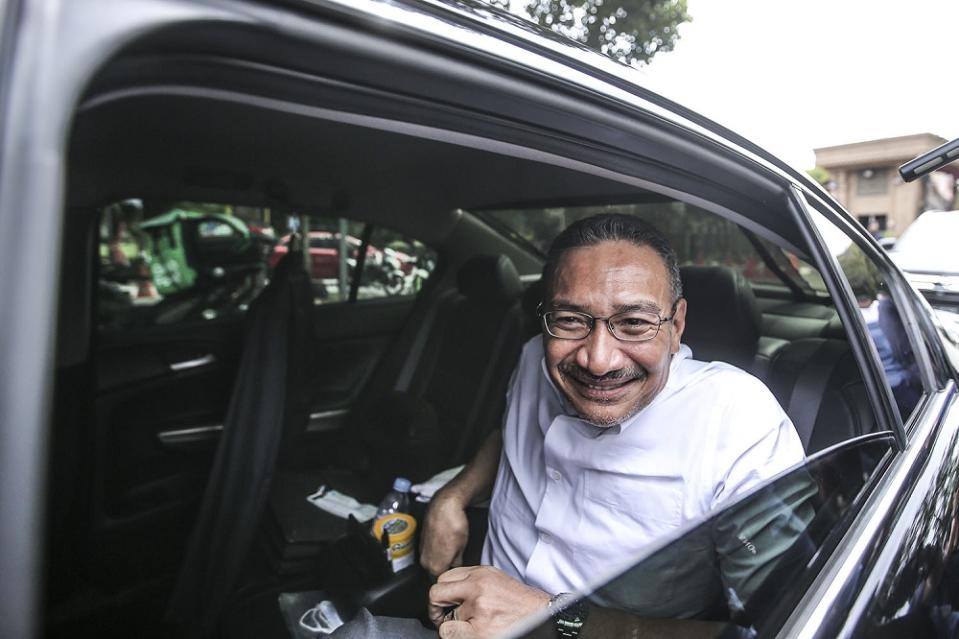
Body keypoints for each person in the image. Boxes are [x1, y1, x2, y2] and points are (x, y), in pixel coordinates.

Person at [334, 213, 805, 638]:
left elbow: (771, 630)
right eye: (570, 320)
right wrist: (453, 496)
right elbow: (510, 433)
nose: (597, 360)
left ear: (676, 324)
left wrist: (554, 618)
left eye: (635, 322)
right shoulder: (535, 358)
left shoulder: (737, 421)